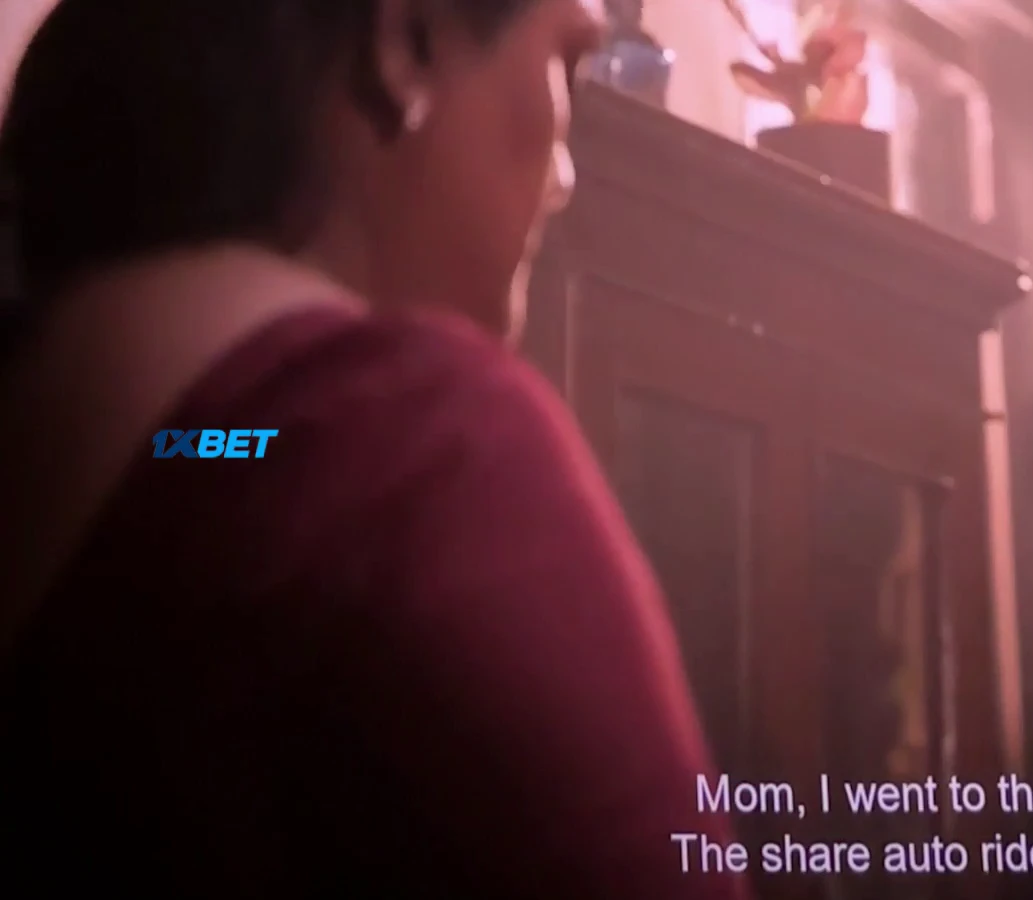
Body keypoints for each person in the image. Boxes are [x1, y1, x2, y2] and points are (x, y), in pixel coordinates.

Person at [0, 2, 746, 898]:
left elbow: (219, 449)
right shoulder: (421, 453)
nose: (566, 179)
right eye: (566, 66)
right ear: (405, 43)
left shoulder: (199, 436)